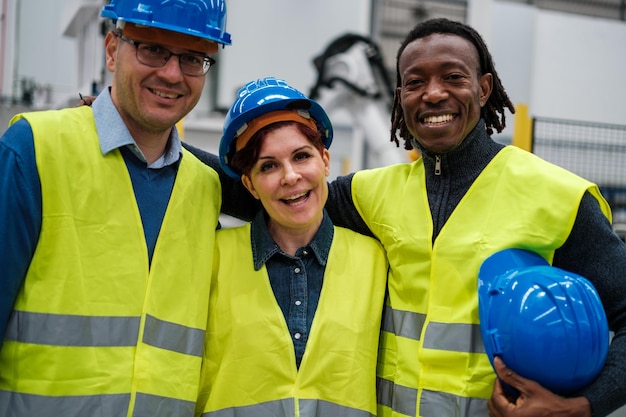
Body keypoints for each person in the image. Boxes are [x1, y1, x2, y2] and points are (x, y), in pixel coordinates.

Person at [184, 18, 626, 417]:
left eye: (453, 77)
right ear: (401, 97)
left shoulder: (557, 196)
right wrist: (155, 141)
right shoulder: (372, 194)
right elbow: (274, 195)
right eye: (415, 82)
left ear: (485, 88)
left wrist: (583, 407)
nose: (433, 93)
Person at [0, 0, 231, 416]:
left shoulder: (205, 186)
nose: (172, 73)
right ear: (111, 49)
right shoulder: (35, 149)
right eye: (153, 50)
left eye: (193, 58)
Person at [195, 77, 388, 417]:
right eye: (268, 166)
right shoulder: (212, 258)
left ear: (325, 160)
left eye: (301, 156)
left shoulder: (375, 261)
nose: (290, 176)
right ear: (250, 185)